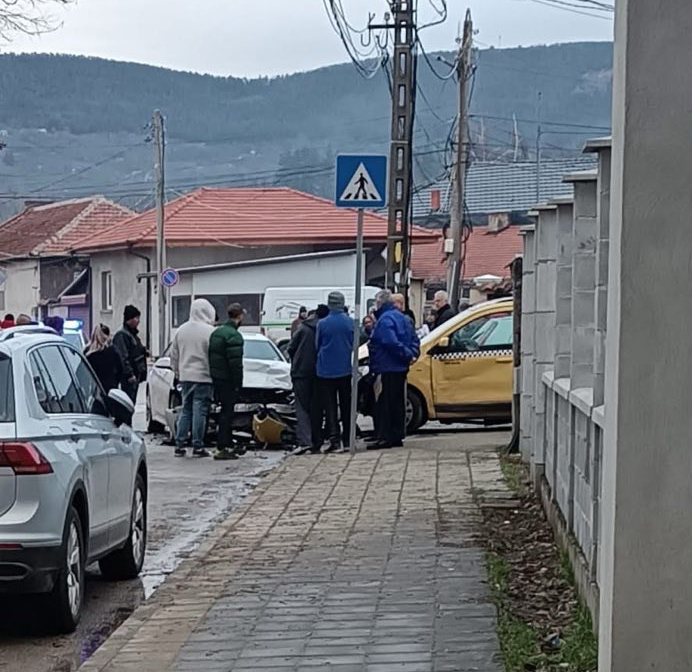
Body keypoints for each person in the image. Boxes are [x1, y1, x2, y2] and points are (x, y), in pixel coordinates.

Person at [368, 289, 420, 449]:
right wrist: (411, 354)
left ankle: (385, 437)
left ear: (380, 303)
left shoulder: (384, 320)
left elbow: (389, 342)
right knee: (398, 402)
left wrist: (405, 354)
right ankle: (397, 435)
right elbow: (414, 339)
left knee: (384, 403)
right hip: (401, 368)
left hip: (386, 366)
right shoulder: (403, 318)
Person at [170, 298, 216, 458]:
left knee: (186, 410)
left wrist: (177, 372)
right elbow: (213, 356)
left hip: (185, 376)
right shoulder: (210, 331)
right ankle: (198, 445)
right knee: (200, 411)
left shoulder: (181, 330)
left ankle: (179, 444)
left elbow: (174, 355)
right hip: (204, 376)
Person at [287, 304, 329, 456]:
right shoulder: (325, 328)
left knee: (302, 407)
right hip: (319, 372)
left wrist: (296, 361)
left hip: (301, 372)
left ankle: (305, 441)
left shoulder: (303, 328)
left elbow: (291, 348)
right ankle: (317, 441)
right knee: (316, 408)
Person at [316, 291, 354, 452]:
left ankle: (334, 440)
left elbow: (317, 345)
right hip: (345, 369)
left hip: (325, 371)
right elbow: (354, 343)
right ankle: (348, 439)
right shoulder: (350, 323)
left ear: (330, 304)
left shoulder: (322, 324)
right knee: (346, 405)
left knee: (330, 407)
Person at [208, 303, 245, 460]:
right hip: (228, 380)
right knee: (227, 413)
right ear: (240, 316)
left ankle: (227, 444)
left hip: (217, 378)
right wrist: (238, 384)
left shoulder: (217, 333)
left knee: (223, 411)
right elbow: (235, 364)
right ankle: (222, 446)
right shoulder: (234, 336)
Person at [113, 305, 148, 403]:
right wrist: (129, 374)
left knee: (132, 403)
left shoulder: (132, 335)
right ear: (130, 319)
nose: (138, 321)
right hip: (129, 378)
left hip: (136, 375)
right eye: (136, 318)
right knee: (128, 403)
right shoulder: (122, 335)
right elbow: (123, 357)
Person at [85, 324, 123, 392]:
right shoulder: (112, 351)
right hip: (110, 388)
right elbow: (121, 368)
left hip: (92, 390)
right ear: (107, 336)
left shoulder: (87, 352)